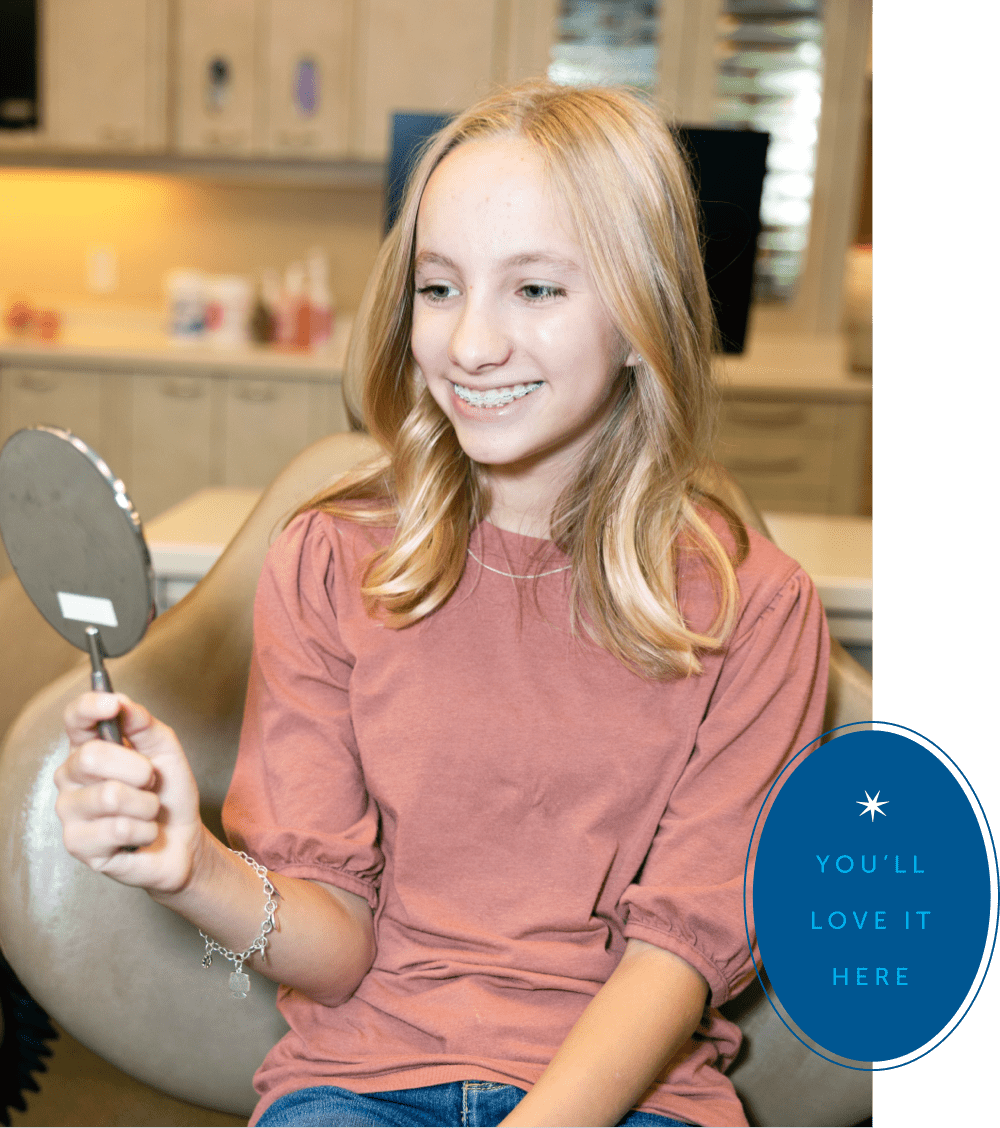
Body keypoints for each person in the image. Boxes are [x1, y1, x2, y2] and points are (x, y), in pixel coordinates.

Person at [53, 81, 829, 1128]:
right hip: (359, 1086)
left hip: (628, 1101)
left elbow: (677, 956)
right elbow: (337, 947)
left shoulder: (760, 610)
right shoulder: (329, 563)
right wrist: (189, 864)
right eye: (439, 287)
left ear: (642, 316)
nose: (469, 344)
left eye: (536, 289)